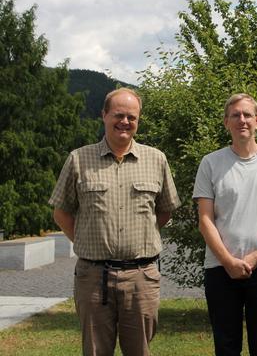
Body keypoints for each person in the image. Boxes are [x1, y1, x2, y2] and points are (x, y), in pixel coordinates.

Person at [49, 87, 181, 356]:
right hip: (93, 277)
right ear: (104, 115)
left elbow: (165, 210)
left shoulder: (156, 159)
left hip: (141, 277)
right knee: (96, 351)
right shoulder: (78, 159)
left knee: (140, 351)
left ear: (138, 120)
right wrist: (86, 240)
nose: (125, 122)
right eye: (118, 115)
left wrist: (142, 235)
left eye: (132, 117)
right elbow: (61, 211)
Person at [193, 93, 257, 356]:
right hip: (220, 269)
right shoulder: (210, 162)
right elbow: (205, 219)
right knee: (226, 347)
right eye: (235, 115)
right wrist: (228, 261)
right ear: (226, 122)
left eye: (247, 115)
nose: (242, 120)